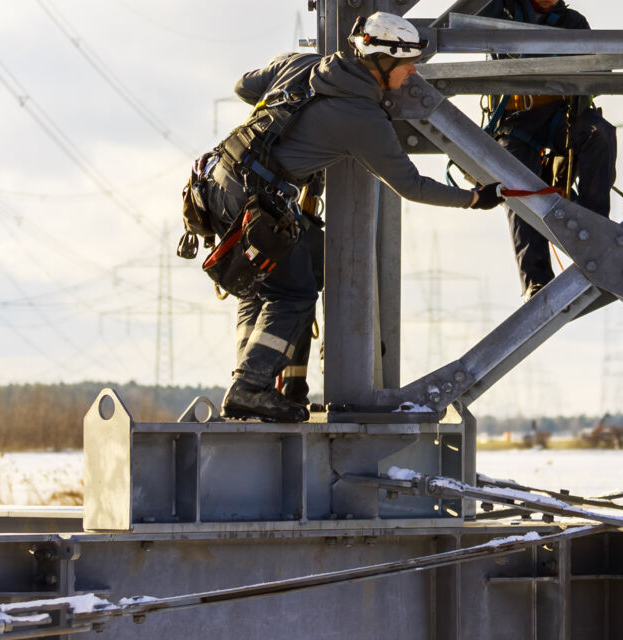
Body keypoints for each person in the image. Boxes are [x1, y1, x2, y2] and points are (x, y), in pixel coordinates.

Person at [195, 12, 504, 422]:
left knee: (301, 270)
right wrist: (471, 198)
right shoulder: (362, 117)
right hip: (255, 202)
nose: (413, 73)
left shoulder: (299, 64)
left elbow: (244, 86)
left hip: (215, 182)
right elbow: (411, 185)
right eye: (407, 64)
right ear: (381, 61)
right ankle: (249, 389)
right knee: (291, 293)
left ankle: (287, 387)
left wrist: (287, 124)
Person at [479, 0, 618, 300]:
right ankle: (536, 279)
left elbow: (597, 70)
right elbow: (462, 20)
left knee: (600, 135)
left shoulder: (572, 23)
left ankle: (597, 232)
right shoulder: (501, 12)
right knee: (515, 179)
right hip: (516, 120)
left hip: (560, 115)